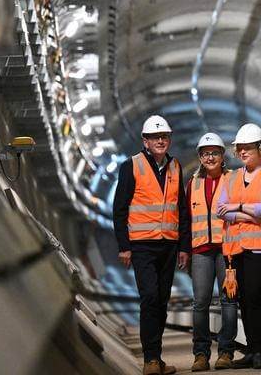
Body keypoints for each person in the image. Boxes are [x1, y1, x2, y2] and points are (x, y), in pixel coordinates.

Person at [113, 115, 191, 375]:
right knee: (149, 297)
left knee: (162, 300)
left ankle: (157, 357)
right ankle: (150, 360)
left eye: (165, 137)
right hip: (142, 245)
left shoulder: (175, 167)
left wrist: (183, 247)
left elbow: (181, 208)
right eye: (156, 137)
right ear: (145, 141)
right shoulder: (131, 166)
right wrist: (124, 246)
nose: (161, 140)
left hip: (168, 245)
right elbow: (120, 209)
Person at [216, 123, 261, 369]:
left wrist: (239, 208)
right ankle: (253, 350)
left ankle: (259, 352)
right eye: (240, 149)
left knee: (254, 294)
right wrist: (248, 213)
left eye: (248, 148)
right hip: (235, 248)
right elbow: (220, 210)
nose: (243, 152)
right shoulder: (232, 177)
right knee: (243, 298)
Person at [188, 132, 237, 371]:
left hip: (227, 250)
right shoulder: (193, 184)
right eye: (206, 154)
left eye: (215, 153)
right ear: (200, 157)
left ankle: (226, 353)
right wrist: (184, 250)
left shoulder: (234, 180)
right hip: (200, 250)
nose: (210, 157)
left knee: (228, 300)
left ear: (222, 155)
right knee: (200, 302)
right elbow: (186, 220)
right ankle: (200, 354)